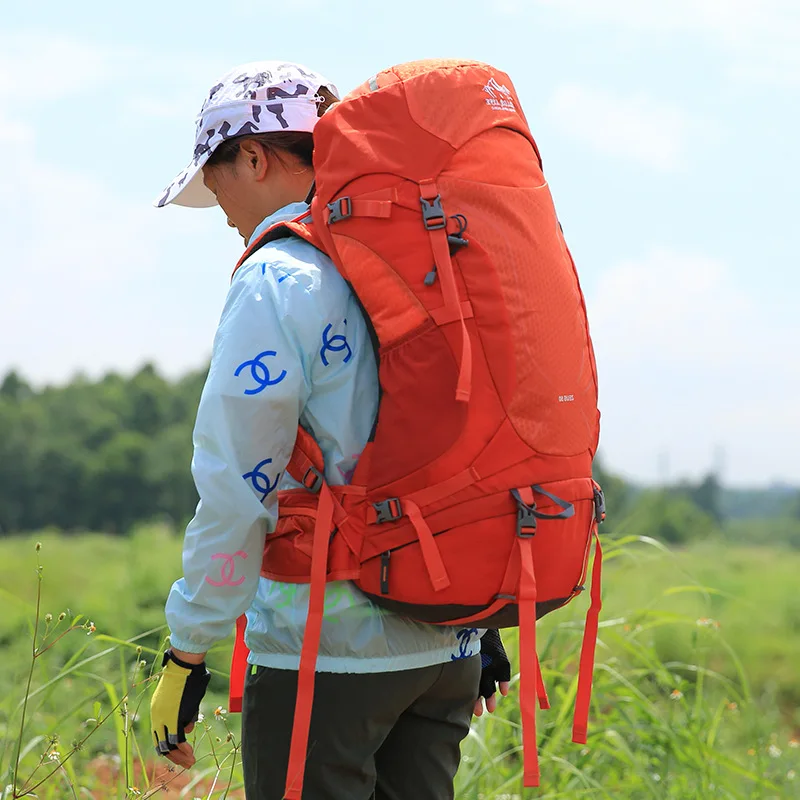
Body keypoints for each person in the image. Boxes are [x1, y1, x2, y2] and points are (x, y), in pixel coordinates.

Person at [148, 60, 511, 800]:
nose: (219, 205)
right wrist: (483, 617)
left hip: (330, 651)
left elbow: (237, 482)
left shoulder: (278, 278)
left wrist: (188, 648)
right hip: (448, 641)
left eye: (216, 177)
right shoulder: (421, 258)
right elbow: (453, 439)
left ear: (254, 157)